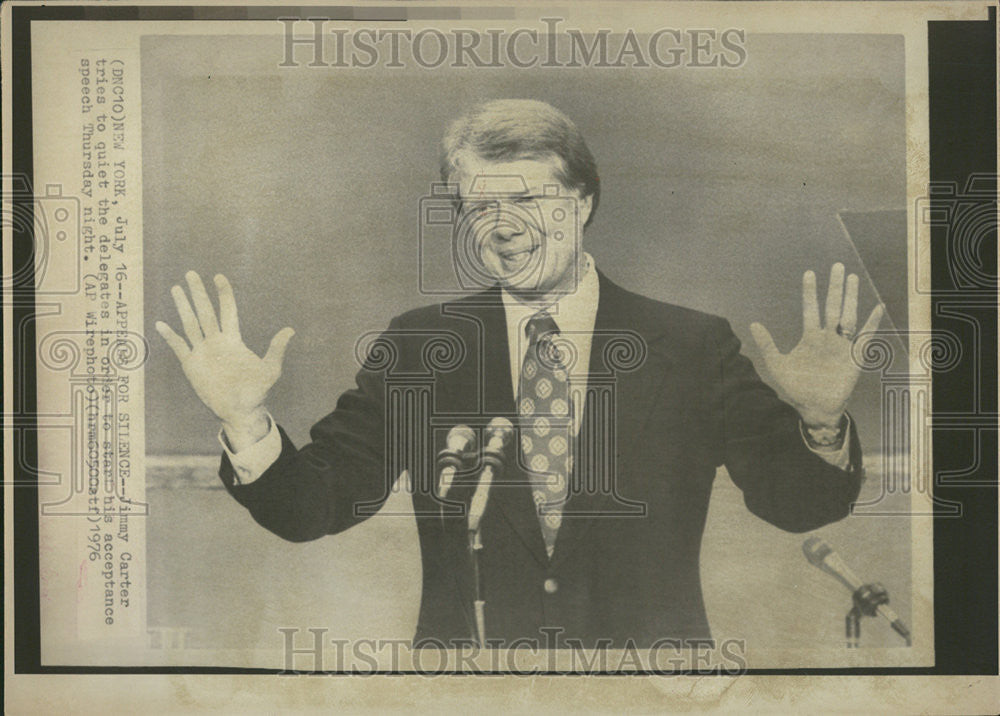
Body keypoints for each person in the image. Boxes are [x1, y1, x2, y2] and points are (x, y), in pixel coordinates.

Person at [155, 99, 883, 649]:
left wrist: (819, 421)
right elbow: (314, 507)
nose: (504, 226)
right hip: (468, 690)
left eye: (528, 199)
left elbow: (798, 505)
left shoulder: (689, 346)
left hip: (652, 691)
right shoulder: (418, 349)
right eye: (480, 205)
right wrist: (245, 420)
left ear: (585, 201)